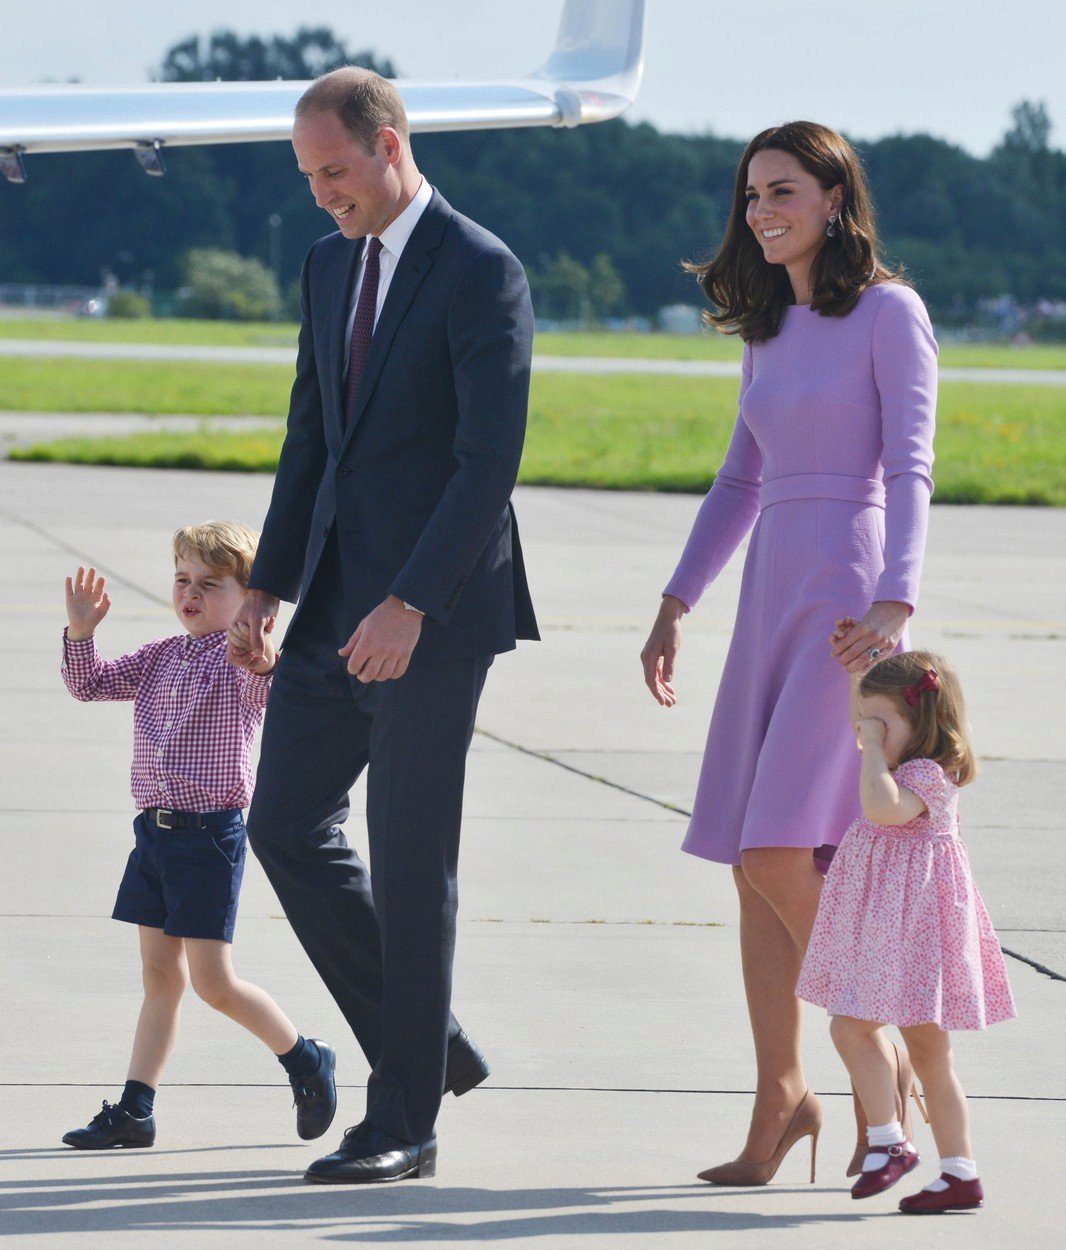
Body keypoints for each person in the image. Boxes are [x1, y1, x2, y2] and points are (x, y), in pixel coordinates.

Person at [229, 67, 537, 1185]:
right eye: (307, 177)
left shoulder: (479, 268)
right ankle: (428, 1037)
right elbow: (309, 434)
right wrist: (266, 581)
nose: (322, 195)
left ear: (391, 145)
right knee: (283, 825)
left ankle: (403, 1115)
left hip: (433, 612)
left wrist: (412, 600)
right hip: (329, 603)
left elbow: (485, 461)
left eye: (335, 171)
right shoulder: (324, 265)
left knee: (412, 862)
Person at [640, 120, 938, 1184]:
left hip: (846, 598)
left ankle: (883, 1052)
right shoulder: (767, 324)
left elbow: (911, 464)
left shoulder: (889, 312)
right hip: (769, 589)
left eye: (783, 192)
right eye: (751, 196)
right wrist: (677, 597)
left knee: (778, 850)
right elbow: (737, 480)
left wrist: (897, 596)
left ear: (832, 198)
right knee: (752, 865)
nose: (762, 211)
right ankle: (781, 1097)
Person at [59, 523, 336, 1150]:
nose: (191, 593)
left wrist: (262, 655)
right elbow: (89, 684)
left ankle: (306, 1058)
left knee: (214, 983)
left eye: (211, 584)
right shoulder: (162, 654)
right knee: (160, 977)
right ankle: (136, 1109)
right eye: (183, 580)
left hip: (209, 838)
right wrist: (81, 633)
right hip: (153, 838)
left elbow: (263, 681)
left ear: (248, 598)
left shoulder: (237, 659)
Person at [797, 651, 1015, 1212]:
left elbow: (881, 811)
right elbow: (870, 753)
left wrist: (871, 746)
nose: (866, 735)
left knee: (853, 1028)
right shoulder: (898, 764)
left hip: (914, 938)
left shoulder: (926, 776)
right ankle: (959, 1174)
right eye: (864, 723)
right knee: (923, 1054)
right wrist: (858, 689)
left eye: (880, 725)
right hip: (901, 932)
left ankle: (891, 1143)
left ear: (922, 724)